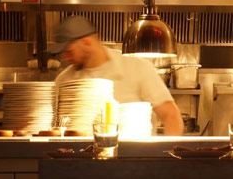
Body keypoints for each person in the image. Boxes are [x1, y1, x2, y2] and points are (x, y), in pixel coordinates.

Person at [50, 15, 183, 135]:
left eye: (68, 51)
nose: (65, 57)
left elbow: (171, 115)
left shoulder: (137, 68)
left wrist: (166, 156)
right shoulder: (63, 80)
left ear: (87, 43)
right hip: (78, 160)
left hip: (134, 159)